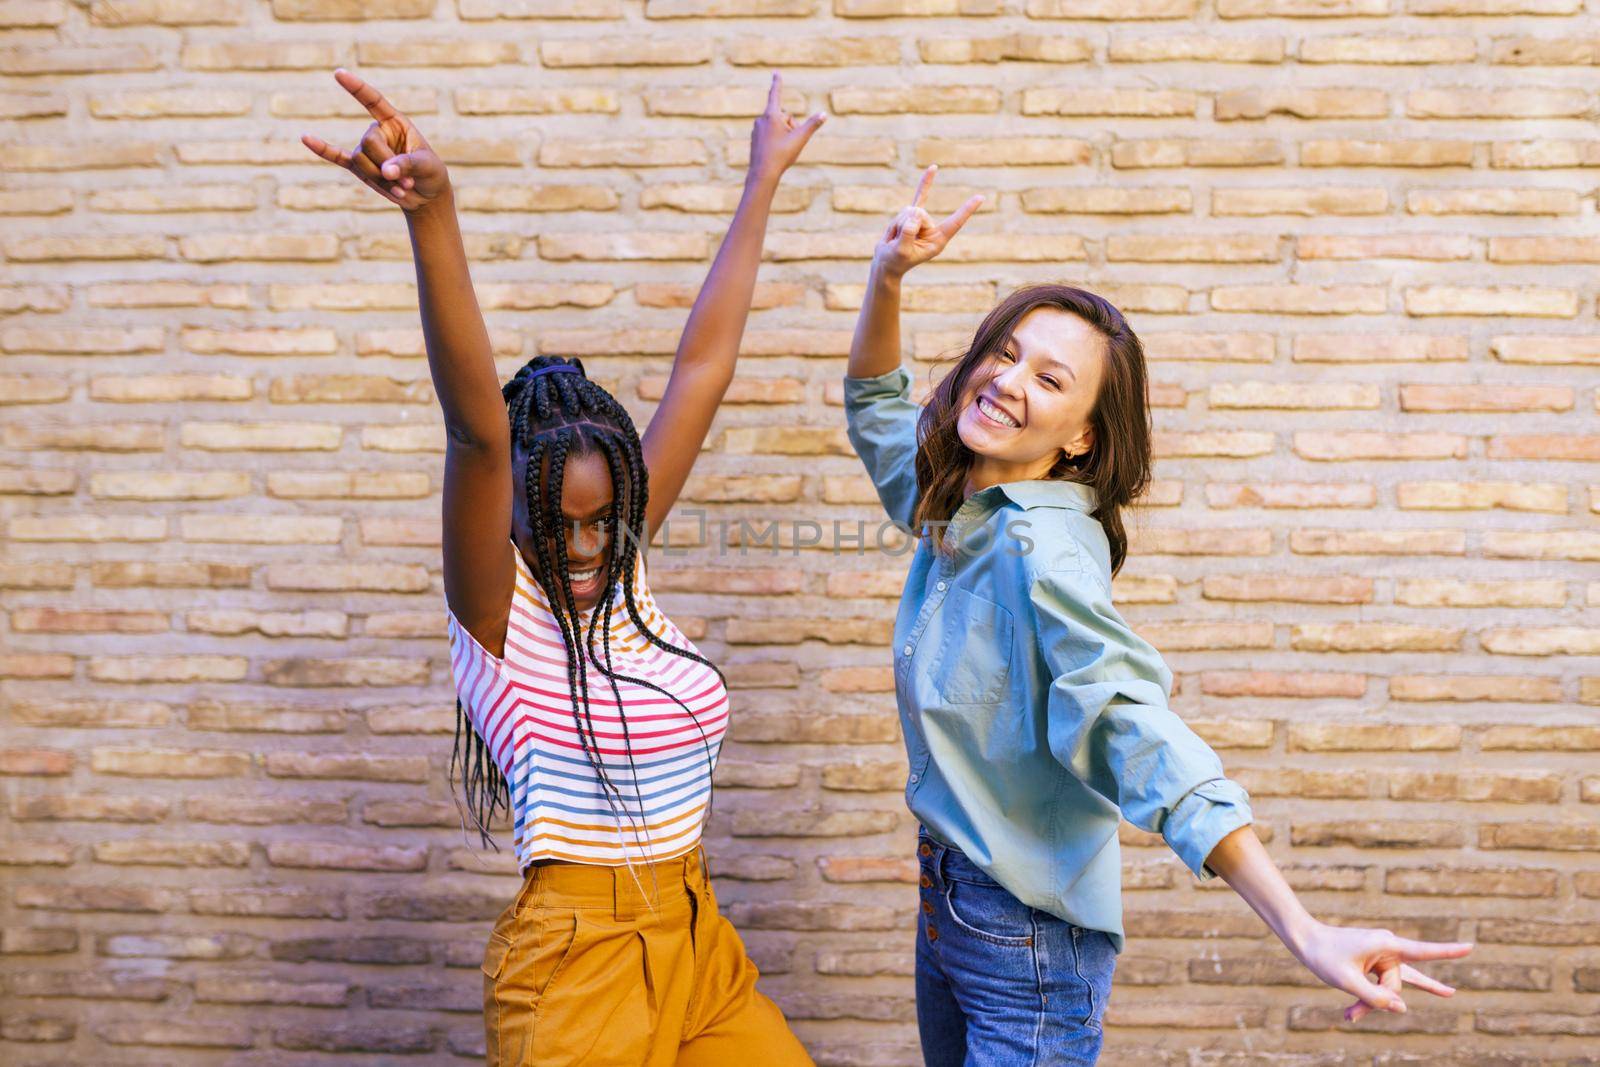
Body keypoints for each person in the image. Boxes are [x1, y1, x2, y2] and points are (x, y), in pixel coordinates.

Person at [842, 164, 1474, 1066]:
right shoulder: (960, 501)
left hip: (1025, 938)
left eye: (1050, 379)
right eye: (1006, 351)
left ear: (1081, 437)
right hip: (950, 899)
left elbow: (1133, 727)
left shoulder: (1041, 553)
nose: (1007, 379)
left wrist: (1300, 925)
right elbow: (874, 407)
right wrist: (888, 278)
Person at [303, 68, 824, 1066]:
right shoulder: (499, 613)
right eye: (558, 524)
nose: (584, 548)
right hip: (577, 963)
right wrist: (433, 214)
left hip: (695, 937)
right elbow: (475, 433)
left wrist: (761, 181)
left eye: (604, 520)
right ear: (514, 514)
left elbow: (702, 370)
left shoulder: (619, 564)